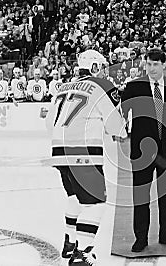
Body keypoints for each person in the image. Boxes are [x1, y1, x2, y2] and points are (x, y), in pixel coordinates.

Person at [44, 50, 127, 266]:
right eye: (101, 66)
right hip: (84, 151)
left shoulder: (62, 88)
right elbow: (114, 121)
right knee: (96, 203)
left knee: (74, 197)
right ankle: (82, 254)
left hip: (59, 150)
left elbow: (49, 122)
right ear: (94, 68)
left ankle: (70, 243)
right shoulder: (102, 86)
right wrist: (122, 133)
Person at [121, 48, 166, 253]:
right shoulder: (133, 87)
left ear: (163, 65)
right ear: (145, 64)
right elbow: (122, 113)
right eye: (149, 64)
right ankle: (140, 237)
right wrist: (119, 129)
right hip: (141, 151)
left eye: (156, 64)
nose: (152, 68)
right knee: (141, 194)